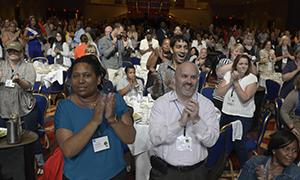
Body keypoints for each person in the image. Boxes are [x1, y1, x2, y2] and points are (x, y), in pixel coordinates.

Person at [54, 55, 136, 179]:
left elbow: (130, 137)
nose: (81, 80)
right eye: (75, 76)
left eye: (87, 75)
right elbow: (68, 150)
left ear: (98, 79)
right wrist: (94, 122)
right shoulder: (65, 107)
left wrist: (112, 120)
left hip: (115, 174)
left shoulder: (114, 100)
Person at [148, 62, 219, 180]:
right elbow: (155, 138)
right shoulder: (161, 104)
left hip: (196, 173)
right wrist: (180, 123)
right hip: (165, 173)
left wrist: (197, 120)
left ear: (198, 79)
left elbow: (211, 141)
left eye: (193, 77)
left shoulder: (207, 105)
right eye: (184, 76)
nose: (189, 81)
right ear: (175, 79)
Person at [0, 41, 44, 173]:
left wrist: (19, 80)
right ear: (6, 53)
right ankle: (8, 165)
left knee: (31, 136)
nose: (12, 53)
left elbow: (29, 86)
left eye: (16, 51)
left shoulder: (28, 67)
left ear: (21, 52)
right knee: (4, 139)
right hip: (4, 107)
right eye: (10, 51)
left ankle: (39, 164)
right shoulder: (1, 65)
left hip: (25, 107)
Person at [215, 54, 258, 168]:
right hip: (227, 112)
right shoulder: (229, 74)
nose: (243, 66)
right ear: (236, 65)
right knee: (220, 140)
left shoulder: (252, 78)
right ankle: (218, 166)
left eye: (245, 64)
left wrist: (236, 83)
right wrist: (230, 82)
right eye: (240, 63)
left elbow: (245, 98)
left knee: (239, 144)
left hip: (243, 116)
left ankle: (245, 169)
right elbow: (219, 93)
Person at [150, 35, 189, 100]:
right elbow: (156, 96)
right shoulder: (163, 68)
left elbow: (193, 97)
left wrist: (174, 89)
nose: (182, 51)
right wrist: (157, 84)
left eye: (185, 48)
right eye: (178, 47)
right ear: (171, 49)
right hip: (166, 107)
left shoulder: (192, 70)